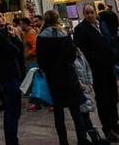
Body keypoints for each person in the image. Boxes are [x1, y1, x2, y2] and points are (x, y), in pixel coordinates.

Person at [74, 4, 119, 143]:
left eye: (92, 12)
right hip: (97, 69)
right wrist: (97, 58)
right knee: (103, 99)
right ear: (83, 14)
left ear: (95, 12)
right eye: (87, 13)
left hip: (109, 66)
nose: (90, 15)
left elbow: (110, 40)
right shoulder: (80, 29)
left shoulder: (101, 24)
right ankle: (107, 128)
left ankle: (115, 124)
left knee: (113, 96)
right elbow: (82, 51)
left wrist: (114, 54)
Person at [37, 10, 90, 145]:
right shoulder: (64, 35)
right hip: (68, 76)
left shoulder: (41, 37)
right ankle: (82, 139)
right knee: (75, 110)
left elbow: (41, 61)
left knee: (58, 113)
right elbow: (72, 57)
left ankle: (63, 141)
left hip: (53, 78)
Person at [0, 12, 24, 145]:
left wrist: (12, 37)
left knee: (14, 109)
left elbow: (18, 48)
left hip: (11, 73)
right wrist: (13, 38)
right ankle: (12, 140)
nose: (2, 18)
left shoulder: (1, 33)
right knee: (12, 109)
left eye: (2, 16)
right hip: (7, 74)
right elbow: (15, 50)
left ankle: (13, 139)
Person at [73, 49, 108, 145]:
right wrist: (80, 84)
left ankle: (89, 138)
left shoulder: (79, 53)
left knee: (85, 113)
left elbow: (87, 67)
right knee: (82, 114)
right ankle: (89, 138)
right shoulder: (69, 55)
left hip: (86, 88)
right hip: (78, 89)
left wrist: (89, 82)